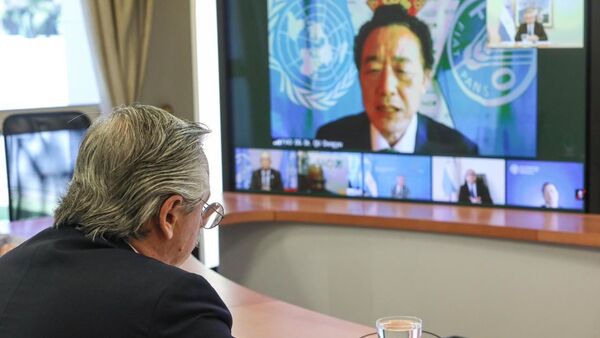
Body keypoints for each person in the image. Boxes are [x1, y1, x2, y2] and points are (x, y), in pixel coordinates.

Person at [0, 105, 233, 337]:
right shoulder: (175, 302)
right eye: (202, 207)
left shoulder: (8, 268)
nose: (201, 223)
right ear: (169, 215)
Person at [315, 4, 478, 155]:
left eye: (402, 70)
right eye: (374, 70)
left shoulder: (460, 151)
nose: (387, 87)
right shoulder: (329, 139)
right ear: (360, 77)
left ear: (425, 80)